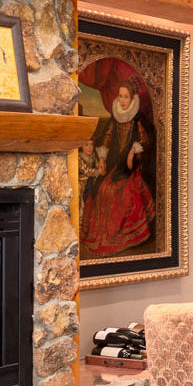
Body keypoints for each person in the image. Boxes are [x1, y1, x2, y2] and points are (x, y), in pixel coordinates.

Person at [80, 58, 157, 256]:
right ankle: (103, 235)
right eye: (120, 96)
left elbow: (145, 142)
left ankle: (121, 235)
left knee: (116, 192)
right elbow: (106, 138)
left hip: (131, 167)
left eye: (125, 97)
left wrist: (133, 152)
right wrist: (103, 158)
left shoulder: (136, 121)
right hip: (116, 164)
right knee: (102, 189)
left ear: (132, 99)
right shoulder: (115, 118)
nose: (122, 99)